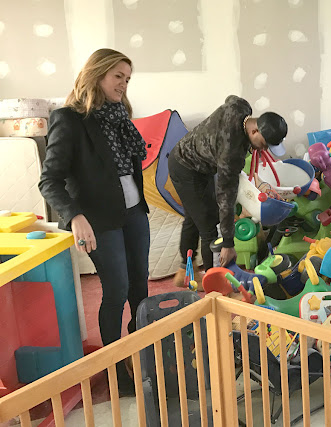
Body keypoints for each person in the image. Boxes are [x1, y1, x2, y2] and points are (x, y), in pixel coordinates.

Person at [39, 48, 149, 393]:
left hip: (134, 213)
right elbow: (50, 181)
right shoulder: (69, 119)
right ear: (97, 74)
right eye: (118, 76)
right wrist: (75, 217)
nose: (124, 84)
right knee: (116, 289)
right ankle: (114, 364)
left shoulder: (120, 116)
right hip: (98, 219)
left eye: (128, 79)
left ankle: (140, 353)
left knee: (140, 288)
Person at [169, 95, 287, 286]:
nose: (266, 149)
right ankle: (215, 288)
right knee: (209, 225)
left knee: (194, 216)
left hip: (198, 162)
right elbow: (226, 198)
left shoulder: (242, 108)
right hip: (185, 166)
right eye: (265, 143)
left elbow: (230, 99)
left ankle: (184, 270)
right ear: (254, 130)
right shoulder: (231, 152)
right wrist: (228, 244)